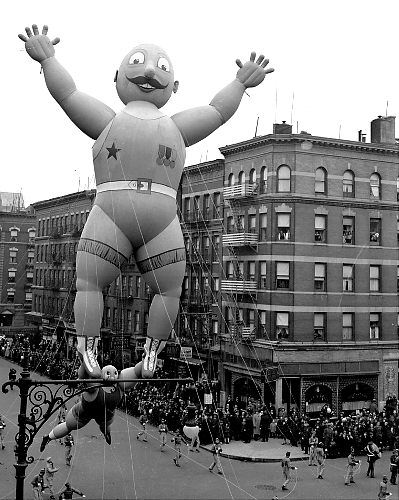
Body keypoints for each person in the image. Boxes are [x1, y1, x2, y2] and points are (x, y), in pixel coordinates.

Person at [18, 24, 274, 381]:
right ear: (118, 76)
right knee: (92, 283)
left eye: (161, 67)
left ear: (175, 87)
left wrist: (239, 84)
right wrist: (48, 59)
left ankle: (151, 352)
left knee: (165, 288)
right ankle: (90, 347)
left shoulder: (174, 126)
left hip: (147, 218)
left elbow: (217, 111)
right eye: (139, 63)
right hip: (117, 213)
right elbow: (69, 94)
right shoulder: (113, 120)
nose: (151, 71)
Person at [40, 364, 141, 450]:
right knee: (69, 426)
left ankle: (107, 434)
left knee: (104, 426)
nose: (112, 377)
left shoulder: (120, 385)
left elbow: (136, 373)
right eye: (108, 373)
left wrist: (144, 361)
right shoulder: (96, 385)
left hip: (103, 415)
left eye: (115, 373)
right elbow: (84, 377)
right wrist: (85, 362)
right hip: (86, 412)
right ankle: (48, 437)